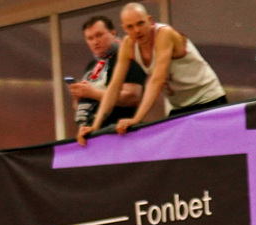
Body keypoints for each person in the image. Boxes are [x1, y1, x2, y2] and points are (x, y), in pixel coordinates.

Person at [77, 1, 225, 143]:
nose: (137, 30)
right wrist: (95, 126)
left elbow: (157, 80)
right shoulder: (128, 45)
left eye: (140, 23)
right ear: (124, 29)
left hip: (207, 98)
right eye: (130, 27)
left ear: (149, 20)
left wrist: (136, 119)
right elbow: (114, 87)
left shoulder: (164, 34)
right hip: (178, 106)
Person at [68, 15, 146, 136]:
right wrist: (79, 96)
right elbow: (83, 104)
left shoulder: (126, 57)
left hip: (119, 132)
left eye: (99, 35)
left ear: (113, 33)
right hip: (91, 132)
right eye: (90, 38)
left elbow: (132, 97)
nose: (95, 42)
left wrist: (92, 93)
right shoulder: (93, 65)